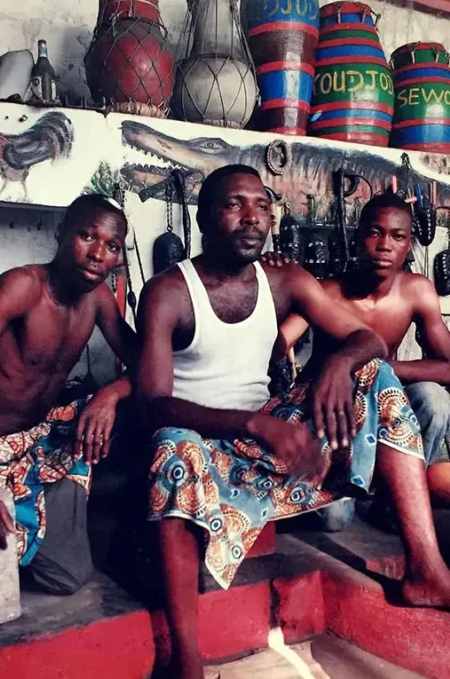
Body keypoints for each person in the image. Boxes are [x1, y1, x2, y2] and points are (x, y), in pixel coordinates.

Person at [136, 166, 450, 679]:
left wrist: (336, 365)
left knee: (374, 372)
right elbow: (153, 405)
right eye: (235, 205)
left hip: (270, 433)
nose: (252, 217)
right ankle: (186, 657)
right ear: (204, 217)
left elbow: (366, 341)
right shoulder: (169, 292)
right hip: (205, 443)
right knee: (172, 447)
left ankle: (426, 571)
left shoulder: (285, 279)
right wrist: (252, 425)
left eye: (261, 205)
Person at [275, 192, 450, 530]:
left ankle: (394, 501)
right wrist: (270, 279)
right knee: (335, 519)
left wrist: (384, 370)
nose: (385, 245)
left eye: (397, 236)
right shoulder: (327, 291)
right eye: (375, 233)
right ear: (358, 239)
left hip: (386, 404)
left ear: (408, 244)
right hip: (331, 412)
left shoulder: (417, 291)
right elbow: (281, 342)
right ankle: (338, 489)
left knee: (434, 399)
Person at [0, 194, 137, 596]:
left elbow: (148, 366)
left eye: (111, 246)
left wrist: (110, 394)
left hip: (38, 443)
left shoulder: (97, 299)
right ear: (62, 234)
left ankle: (32, 518)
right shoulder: (23, 286)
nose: (97, 254)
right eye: (87, 236)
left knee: (67, 576)